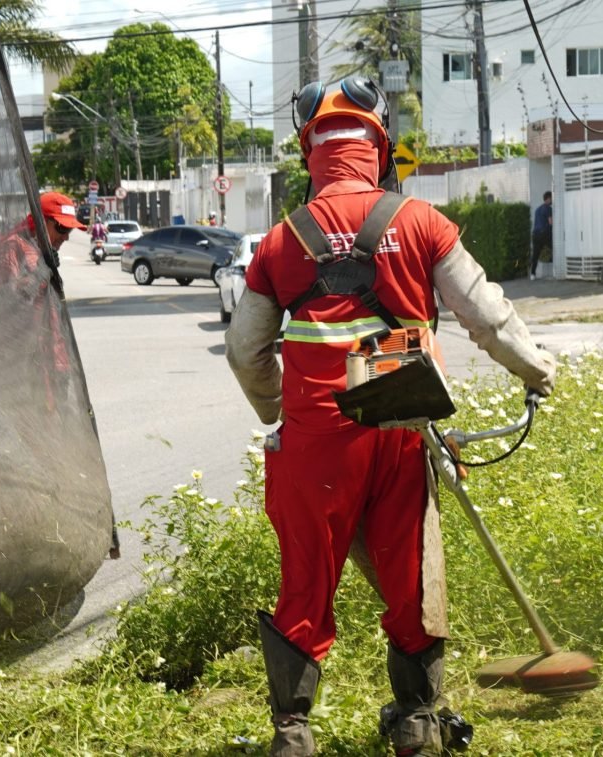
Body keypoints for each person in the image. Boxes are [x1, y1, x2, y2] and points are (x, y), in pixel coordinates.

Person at [225, 76, 555, 757]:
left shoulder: (281, 243)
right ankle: (416, 722)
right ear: (379, 146)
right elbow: (487, 316)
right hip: (402, 428)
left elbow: (244, 349)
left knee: (306, 581)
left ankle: (293, 733)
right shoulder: (421, 223)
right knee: (408, 574)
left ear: (310, 151)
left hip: (315, 441)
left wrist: (277, 413)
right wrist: (537, 371)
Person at [0, 191, 84, 410]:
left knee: (60, 428)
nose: (66, 237)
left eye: (69, 230)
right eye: (62, 228)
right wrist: (39, 274)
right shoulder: (13, 247)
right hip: (25, 365)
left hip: (55, 361)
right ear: (41, 222)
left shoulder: (43, 250)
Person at [529, 190, 553, 280]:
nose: (552, 201)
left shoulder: (537, 209)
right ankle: (556, 268)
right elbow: (550, 222)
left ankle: (532, 274)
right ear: (548, 198)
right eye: (551, 198)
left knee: (535, 254)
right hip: (544, 233)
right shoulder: (548, 208)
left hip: (535, 234)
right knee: (554, 248)